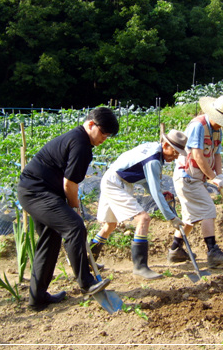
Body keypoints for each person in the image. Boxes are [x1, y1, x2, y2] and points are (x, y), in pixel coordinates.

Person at [17, 107, 119, 311]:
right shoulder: (81, 144)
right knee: (75, 227)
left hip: (35, 190)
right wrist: (74, 208)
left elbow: (68, 183)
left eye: (108, 136)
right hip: (37, 191)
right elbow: (69, 184)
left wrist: (72, 205)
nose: (104, 139)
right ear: (91, 124)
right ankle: (87, 283)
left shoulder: (78, 139)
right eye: (103, 133)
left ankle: (37, 298)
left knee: (50, 240)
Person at [90, 129, 188, 279]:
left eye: (177, 154)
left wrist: (160, 193)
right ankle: (140, 267)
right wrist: (172, 217)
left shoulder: (153, 149)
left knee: (110, 225)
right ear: (166, 145)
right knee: (144, 219)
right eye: (174, 152)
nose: (174, 157)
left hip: (112, 178)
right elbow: (154, 191)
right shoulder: (154, 160)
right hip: (116, 183)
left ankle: (87, 260)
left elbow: (146, 180)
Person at [168, 95, 223, 268]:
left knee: (190, 219)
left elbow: (216, 154)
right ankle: (213, 252)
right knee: (208, 210)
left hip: (196, 178)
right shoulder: (198, 126)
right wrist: (212, 177)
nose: (222, 122)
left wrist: (220, 175)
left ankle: (175, 249)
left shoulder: (218, 129)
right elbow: (197, 155)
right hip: (187, 176)